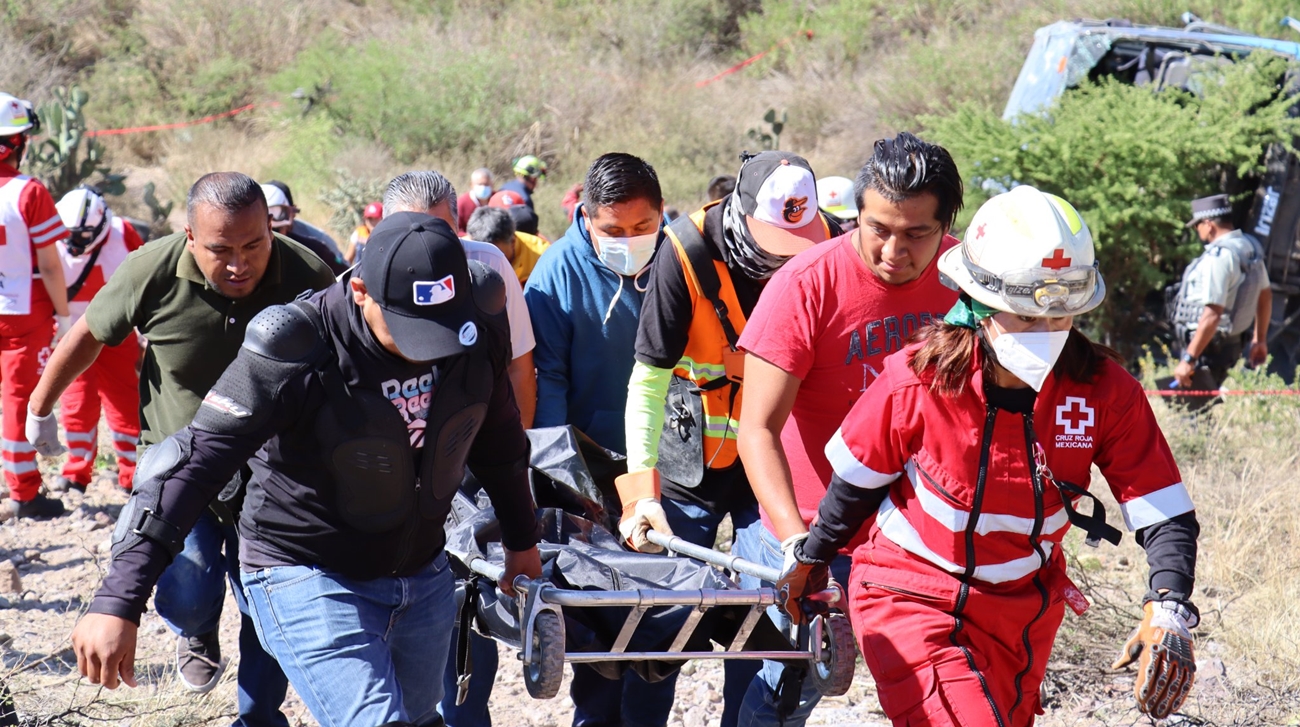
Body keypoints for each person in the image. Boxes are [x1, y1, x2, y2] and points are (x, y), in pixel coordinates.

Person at [69, 212, 544, 727]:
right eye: (409, 328)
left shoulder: (478, 321)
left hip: (420, 569)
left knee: (420, 717)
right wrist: (119, 599)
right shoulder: (295, 346)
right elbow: (192, 464)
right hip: (305, 568)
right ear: (360, 290)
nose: (424, 349)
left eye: (440, 330)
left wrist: (523, 541)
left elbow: (497, 437)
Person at [780, 185, 1200, 726]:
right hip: (910, 595)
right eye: (1025, 316)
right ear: (980, 302)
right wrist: (811, 561)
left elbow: (1162, 508)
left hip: (1024, 610)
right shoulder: (918, 382)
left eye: (1060, 316)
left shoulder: (1103, 393)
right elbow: (854, 490)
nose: (1045, 333)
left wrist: (1169, 604)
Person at [27, 172, 335, 726]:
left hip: (271, 474)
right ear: (191, 238)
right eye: (221, 250)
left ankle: (259, 715)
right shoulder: (153, 269)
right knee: (189, 591)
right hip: (178, 469)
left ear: (271, 228)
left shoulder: (308, 273)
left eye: (253, 245)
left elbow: (349, 362)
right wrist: (40, 408)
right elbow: (90, 333)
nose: (239, 264)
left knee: (265, 604)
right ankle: (196, 632)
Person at [736, 133, 963, 725]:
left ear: (946, 228)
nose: (894, 249)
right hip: (817, 533)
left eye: (917, 234)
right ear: (856, 213)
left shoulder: (968, 280)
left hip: (925, 532)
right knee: (785, 691)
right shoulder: (805, 284)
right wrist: (795, 544)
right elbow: (756, 428)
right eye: (878, 228)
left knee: (940, 687)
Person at [617, 151, 838, 727]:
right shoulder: (684, 251)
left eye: (798, 248)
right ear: (740, 216)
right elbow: (648, 379)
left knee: (763, 625)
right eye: (773, 249)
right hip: (688, 462)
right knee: (655, 624)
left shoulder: (835, 246)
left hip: (772, 473)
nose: (785, 265)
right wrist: (643, 492)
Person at [523, 152, 674, 727]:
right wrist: (567, 484)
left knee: (665, 615)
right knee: (601, 611)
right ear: (585, 217)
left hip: (665, 467)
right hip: (588, 468)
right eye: (613, 230)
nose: (631, 240)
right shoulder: (557, 273)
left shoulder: (675, 261)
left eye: (643, 227)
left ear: (661, 214)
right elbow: (550, 380)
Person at [381, 170, 537, 429]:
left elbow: (519, 365)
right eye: (409, 235)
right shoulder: (360, 282)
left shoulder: (490, 264)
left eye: (439, 233)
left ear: (458, 229)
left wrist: (522, 453)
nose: (426, 247)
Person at [0, 91, 72, 519]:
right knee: (18, 401)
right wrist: (64, 316)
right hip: (23, 313)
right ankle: (25, 493)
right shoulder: (29, 192)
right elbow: (49, 264)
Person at [46, 186, 145, 494]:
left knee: (126, 403)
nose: (72, 243)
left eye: (81, 236)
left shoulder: (121, 232)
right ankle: (77, 470)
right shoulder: (51, 235)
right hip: (71, 335)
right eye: (67, 234)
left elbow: (146, 275)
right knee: (76, 404)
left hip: (117, 334)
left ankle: (132, 472)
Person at [1170, 192, 1271, 395]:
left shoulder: (1219, 257)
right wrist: (1259, 339)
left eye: (1198, 225)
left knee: (1192, 413)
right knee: (1200, 409)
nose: (1198, 230)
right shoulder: (1250, 247)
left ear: (1209, 224)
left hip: (1206, 349)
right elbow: (1265, 295)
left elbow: (1212, 314)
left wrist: (1189, 359)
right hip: (1227, 345)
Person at [262, 183, 348, 275]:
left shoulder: (316, 248)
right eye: (266, 231)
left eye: (276, 230)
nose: (272, 237)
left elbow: (344, 275)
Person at [467, 207, 550, 286]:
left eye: (494, 254)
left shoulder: (543, 255)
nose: (488, 261)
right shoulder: (462, 250)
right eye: (481, 254)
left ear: (513, 242)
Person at [457, 167, 495, 233]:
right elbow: (456, 229)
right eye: (479, 184)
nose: (483, 187)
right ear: (471, 185)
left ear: (492, 185)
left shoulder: (497, 199)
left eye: (486, 184)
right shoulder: (461, 203)